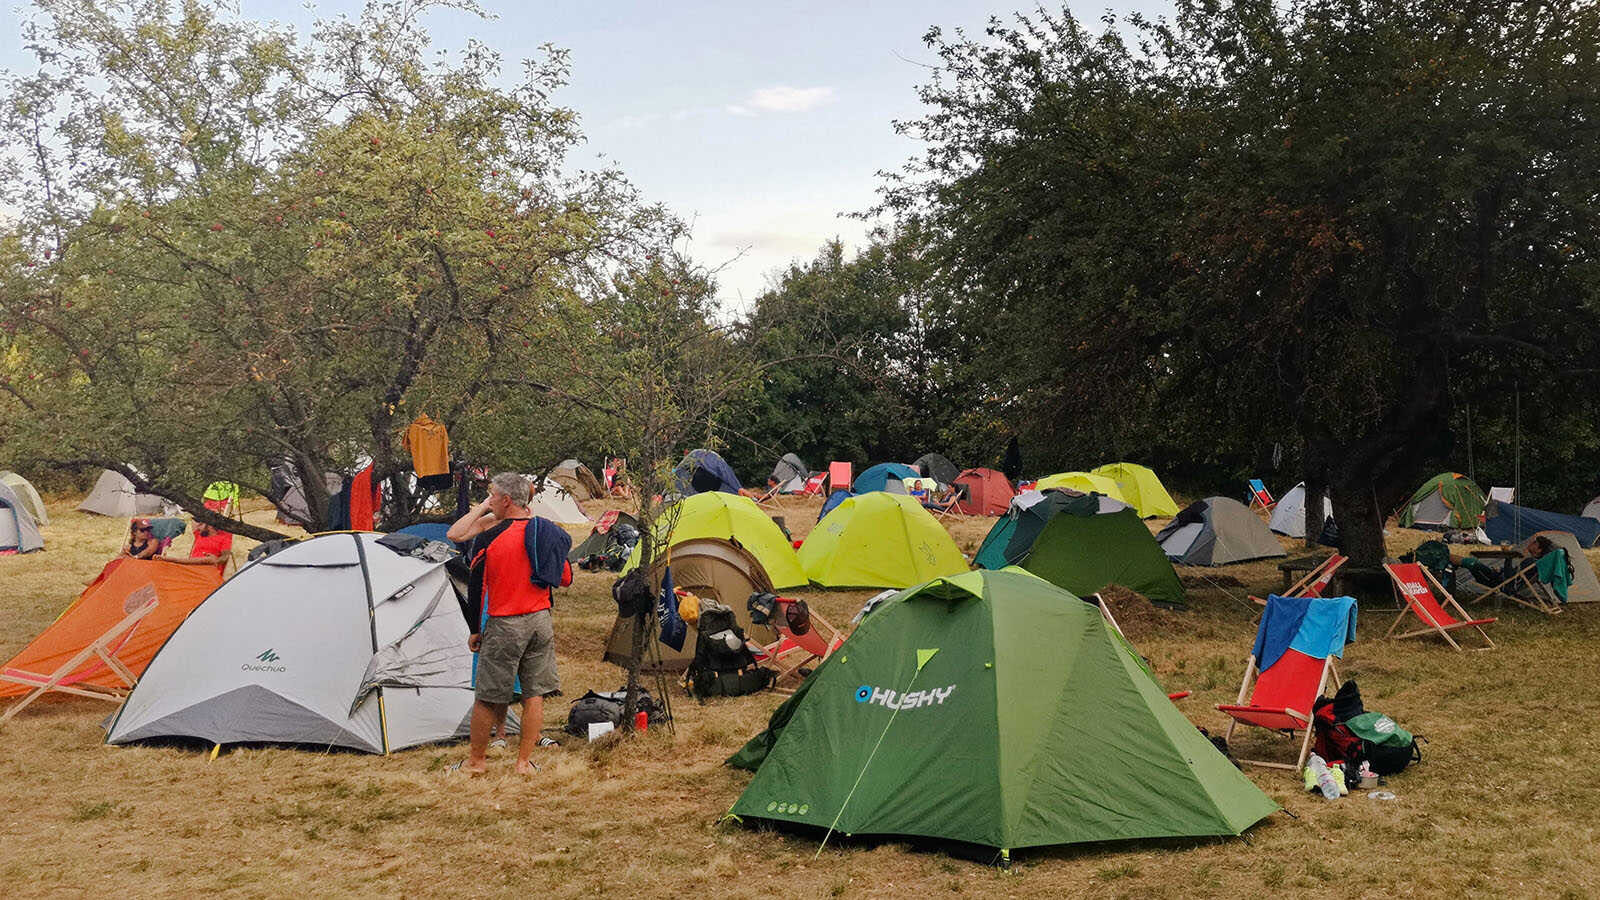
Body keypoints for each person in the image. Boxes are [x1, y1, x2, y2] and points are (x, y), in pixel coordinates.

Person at [447, 472, 572, 775]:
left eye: (492, 495)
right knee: (534, 693)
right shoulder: (544, 531)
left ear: (504, 500)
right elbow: (565, 578)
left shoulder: (491, 537)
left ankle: (476, 763)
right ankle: (524, 763)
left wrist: (475, 629)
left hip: (505, 623)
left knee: (488, 696)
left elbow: (476, 587)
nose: (489, 500)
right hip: (540, 620)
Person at [168, 519, 234, 573]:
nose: (198, 527)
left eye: (201, 524)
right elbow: (193, 519)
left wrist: (216, 560)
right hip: (190, 568)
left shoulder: (224, 539)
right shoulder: (199, 535)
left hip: (206, 571)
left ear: (210, 525)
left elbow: (225, 556)